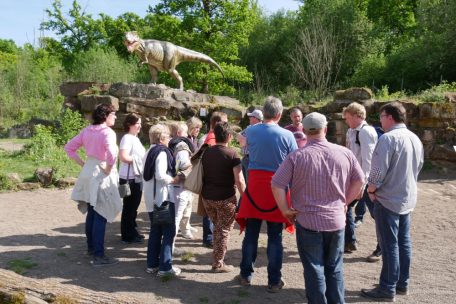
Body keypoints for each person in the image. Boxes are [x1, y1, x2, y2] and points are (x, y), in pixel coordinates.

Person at [271, 112, 365, 304]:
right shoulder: (344, 153)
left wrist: (285, 209)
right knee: (335, 268)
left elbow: (277, 183)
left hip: (308, 221)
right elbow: (360, 180)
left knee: (314, 269)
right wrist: (345, 202)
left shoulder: (296, 157)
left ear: (304, 131)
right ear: (326, 129)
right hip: (336, 220)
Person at [361, 102, 424, 302]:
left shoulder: (388, 139)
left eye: (381, 117)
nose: (380, 121)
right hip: (407, 197)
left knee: (389, 245)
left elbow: (378, 171)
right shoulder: (414, 138)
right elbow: (419, 165)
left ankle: (387, 287)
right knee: (403, 242)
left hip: (388, 198)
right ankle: (401, 284)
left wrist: (371, 189)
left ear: (389, 116)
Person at [236, 96, 297, 293]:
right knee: (274, 237)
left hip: (254, 187)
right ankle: (274, 280)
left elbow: (243, 147)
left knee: (251, 235)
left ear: (265, 112)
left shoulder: (252, 131)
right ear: (279, 114)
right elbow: (295, 161)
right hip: (277, 189)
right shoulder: (287, 136)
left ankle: (245, 275)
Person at [64, 103, 122, 266]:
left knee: (92, 211)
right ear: (105, 115)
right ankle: (98, 255)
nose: (115, 117)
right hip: (100, 175)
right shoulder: (107, 132)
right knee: (100, 214)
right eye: (113, 114)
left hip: (88, 172)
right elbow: (111, 154)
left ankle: (91, 248)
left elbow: (69, 148)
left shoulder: (87, 130)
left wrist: (83, 163)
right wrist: (109, 168)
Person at [201, 122, 246, 272]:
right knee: (223, 230)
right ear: (229, 136)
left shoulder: (206, 152)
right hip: (225, 198)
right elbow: (239, 180)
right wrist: (246, 196)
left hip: (207, 198)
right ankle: (218, 263)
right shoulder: (232, 154)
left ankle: (217, 257)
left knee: (217, 228)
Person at [143, 124, 182, 277]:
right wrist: (174, 179)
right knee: (168, 231)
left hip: (150, 198)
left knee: (155, 231)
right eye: (168, 136)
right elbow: (160, 175)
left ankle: (152, 264)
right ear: (162, 138)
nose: (170, 139)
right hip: (162, 198)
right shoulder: (162, 153)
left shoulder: (148, 151)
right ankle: (165, 268)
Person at [342, 103, 379, 257]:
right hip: (354, 178)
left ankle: (382, 246)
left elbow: (368, 160)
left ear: (358, 116)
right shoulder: (352, 131)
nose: (346, 121)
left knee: (377, 214)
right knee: (346, 207)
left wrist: (363, 184)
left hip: (364, 180)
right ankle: (349, 241)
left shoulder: (365, 132)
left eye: (348, 117)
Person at [198, 111, 228, 248]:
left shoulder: (211, 137)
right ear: (216, 123)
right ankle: (209, 238)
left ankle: (210, 237)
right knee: (210, 211)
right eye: (224, 122)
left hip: (211, 180)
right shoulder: (211, 139)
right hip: (212, 180)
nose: (226, 124)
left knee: (210, 210)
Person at [119, 113, 146, 244]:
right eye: (137, 123)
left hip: (135, 177)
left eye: (140, 123)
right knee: (129, 207)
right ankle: (127, 234)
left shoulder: (135, 138)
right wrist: (139, 161)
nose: (140, 126)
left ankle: (132, 231)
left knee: (133, 206)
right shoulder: (127, 138)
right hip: (128, 178)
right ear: (129, 124)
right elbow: (123, 156)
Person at [168, 122, 196, 240]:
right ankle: (169, 246)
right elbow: (185, 166)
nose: (187, 134)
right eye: (185, 132)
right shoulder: (182, 146)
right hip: (181, 185)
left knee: (185, 208)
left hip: (178, 185)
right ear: (179, 133)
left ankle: (185, 228)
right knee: (178, 214)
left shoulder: (171, 144)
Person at [237, 109, 263, 181]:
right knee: (246, 182)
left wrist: (244, 141)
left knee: (249, 182)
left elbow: (241, 139)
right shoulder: (249, 127)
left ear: (255, 118)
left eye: (251, 117)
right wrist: (244, 141)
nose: (249, 118)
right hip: (246, 158)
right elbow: (238, 136)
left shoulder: (254, 128)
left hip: (251, 159)